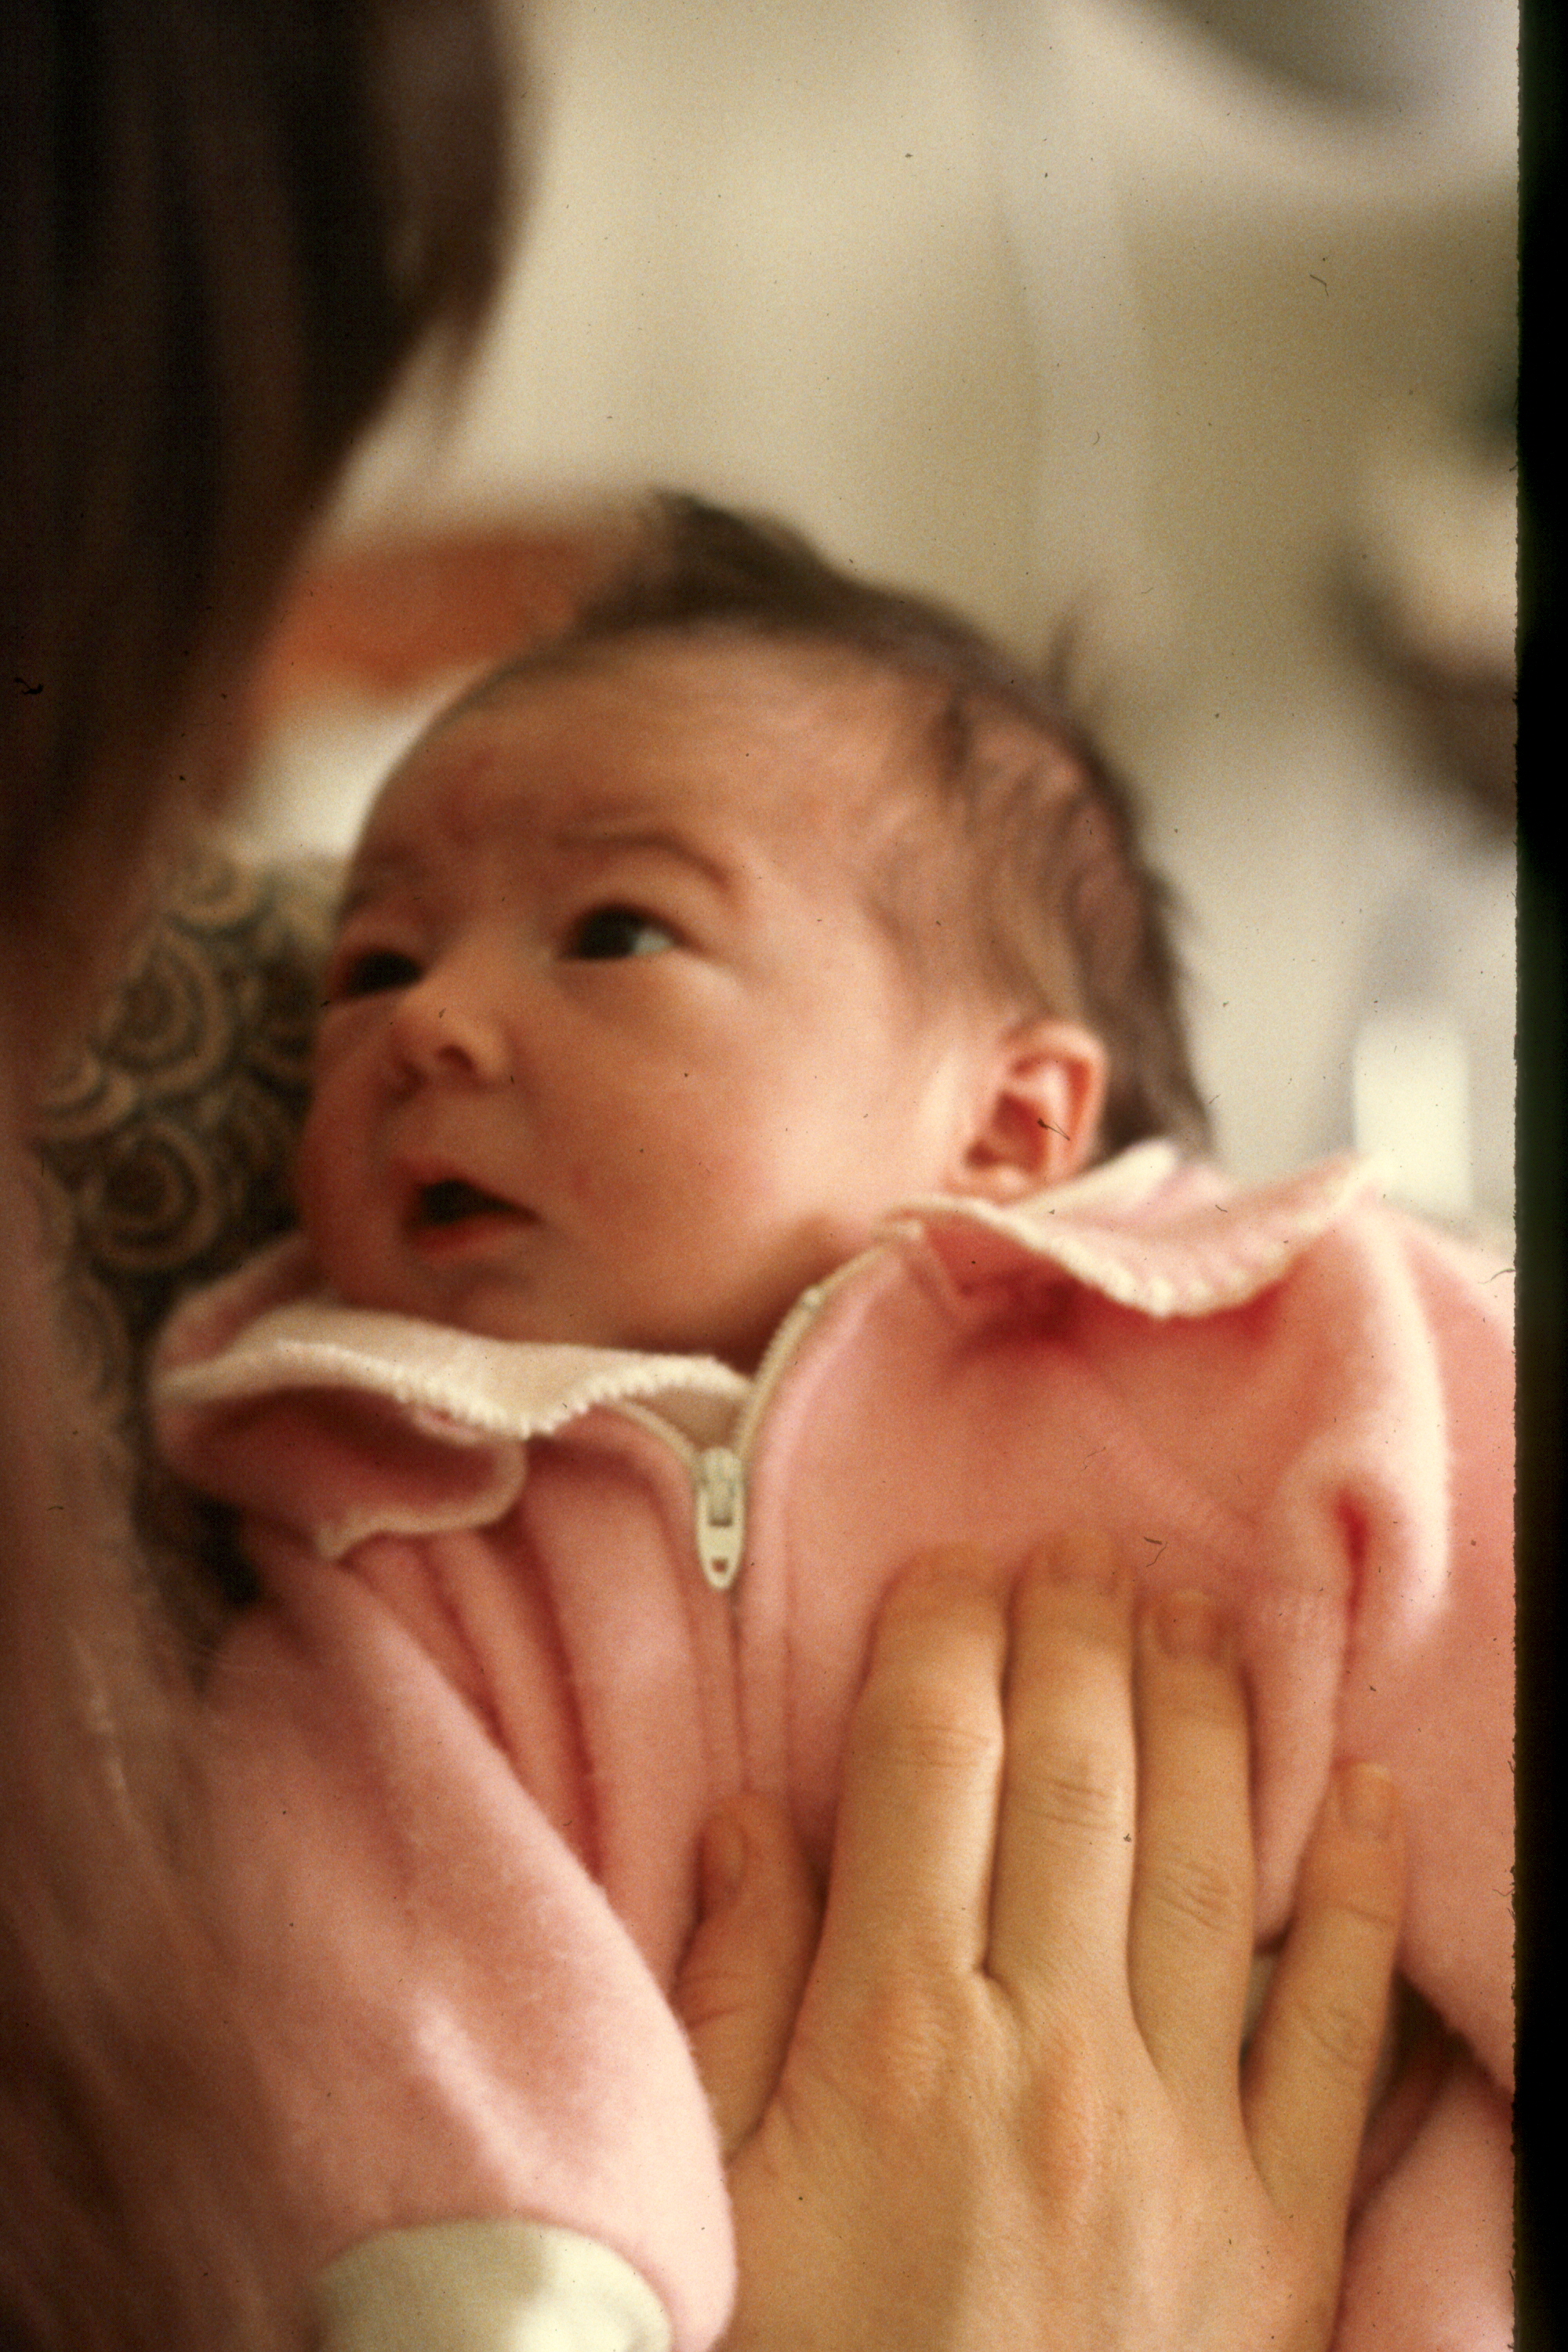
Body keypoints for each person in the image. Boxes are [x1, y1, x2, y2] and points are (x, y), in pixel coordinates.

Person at [150, 499, 1509, 2349]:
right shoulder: (382, 1543)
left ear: (1008, 1124)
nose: (431, 1022)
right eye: (371, 964)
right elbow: (395, 2002)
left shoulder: (1300, 1350)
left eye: (612, 931)